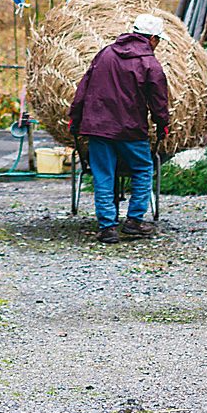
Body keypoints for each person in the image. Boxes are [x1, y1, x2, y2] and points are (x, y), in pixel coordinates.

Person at [68, 13, 170, 244]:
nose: (158, 45)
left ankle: (107, 227)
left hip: (98, 128)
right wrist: (162, 124)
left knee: (103, 174)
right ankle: (133, 221)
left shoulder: (106, 54)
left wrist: (74, 118)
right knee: (143, 169)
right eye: (159, 40)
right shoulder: (150, 64)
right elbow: (159, 101)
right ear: (152, 38)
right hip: (130, 130)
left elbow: (83, 88)